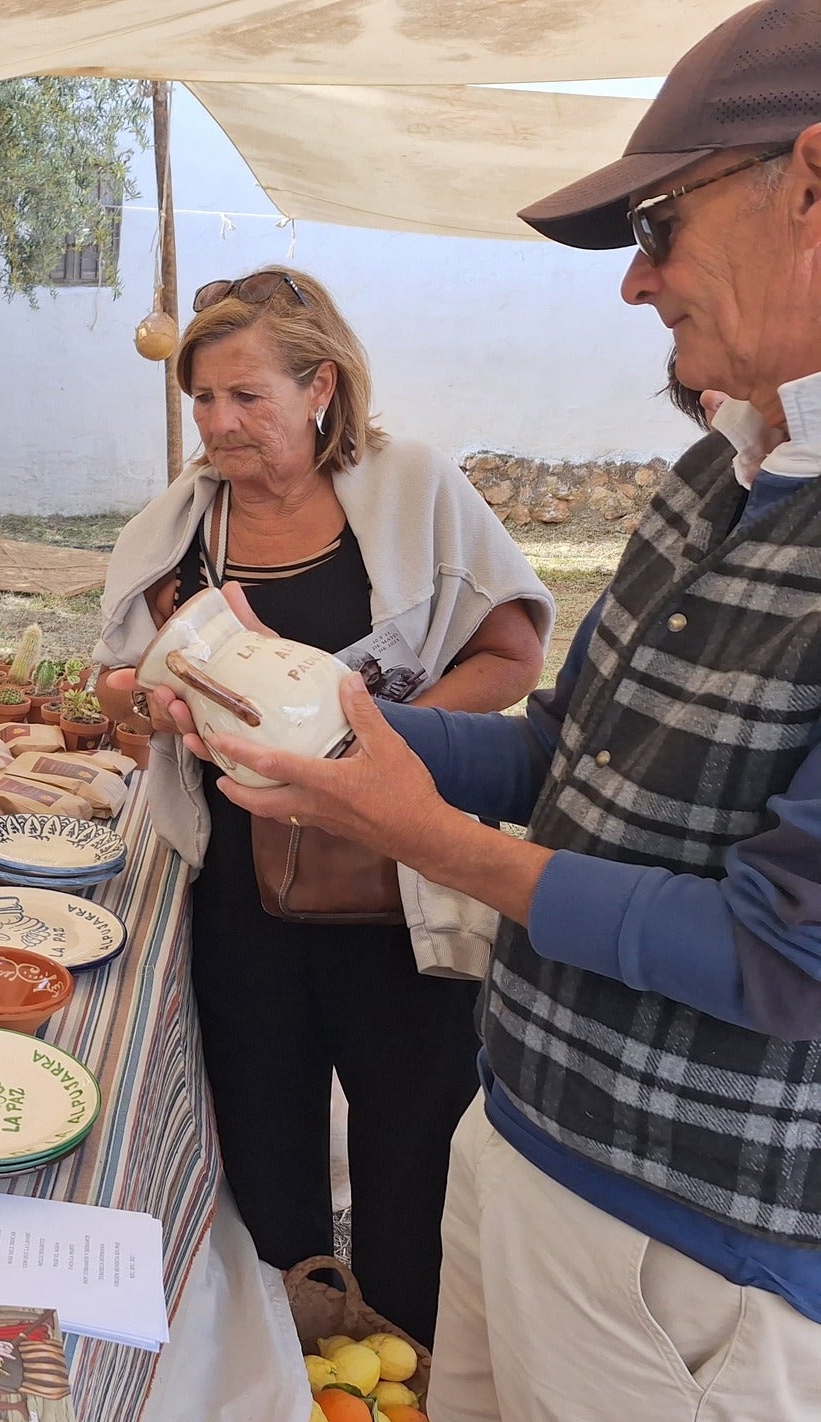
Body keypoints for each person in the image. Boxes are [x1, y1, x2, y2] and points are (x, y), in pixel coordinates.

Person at [153, 7, 821, 1422]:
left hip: (692, 1243)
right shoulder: (722, 475)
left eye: (660, 220)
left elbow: (792, 958)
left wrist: (426, 838)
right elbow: (558, 750)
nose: (638, 278)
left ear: (811, 186)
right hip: (528, 1140)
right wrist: (343, 730)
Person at [95, 266, 552, 1344]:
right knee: (262, 1145)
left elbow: (513, 653)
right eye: (201, 400)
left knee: (410, 1145)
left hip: (396, 882)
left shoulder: (415, 493)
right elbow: (118, 690)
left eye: (244, 396)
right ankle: (285, 1362)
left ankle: (412, 1366)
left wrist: (377, 754)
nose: (217, 424)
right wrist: (140, 701)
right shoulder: (181, 532)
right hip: (242, 894)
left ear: (321, 388)